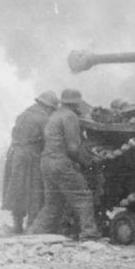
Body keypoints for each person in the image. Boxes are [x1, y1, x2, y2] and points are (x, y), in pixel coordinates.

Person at [27, 89, 101, 240]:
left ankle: (35, 233)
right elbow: (73, 147)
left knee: (53, 203)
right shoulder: (70, 116)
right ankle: (89, 234)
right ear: (76, 103)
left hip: (46, 162)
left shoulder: (55, 115)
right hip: (60, 162)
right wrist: (89, 161)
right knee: (83, 197)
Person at [1, 91, 59, 233]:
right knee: (34, 190)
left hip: (15, 154)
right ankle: (32, 226)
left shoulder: (24, 114)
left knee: (17, 189)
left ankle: (17, 225)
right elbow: (48, 141)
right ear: (48, 107)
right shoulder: (43, 118)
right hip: (30, 156)